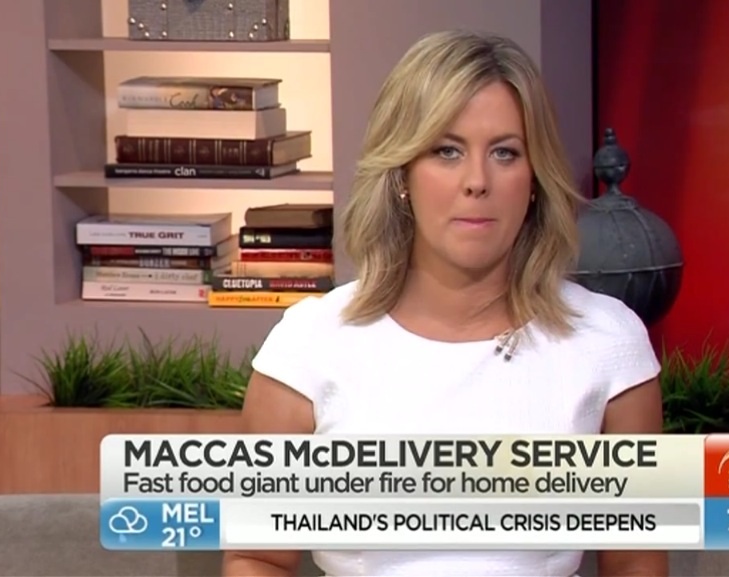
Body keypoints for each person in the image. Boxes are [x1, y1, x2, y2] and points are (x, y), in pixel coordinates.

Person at [223, 29, 667, 577]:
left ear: (534, 179)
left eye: (505, 152)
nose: (477, 181)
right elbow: (258, 556)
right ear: (403, 174)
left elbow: (636, 559)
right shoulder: (308, 345)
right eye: (446, 151)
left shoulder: (606, 341)